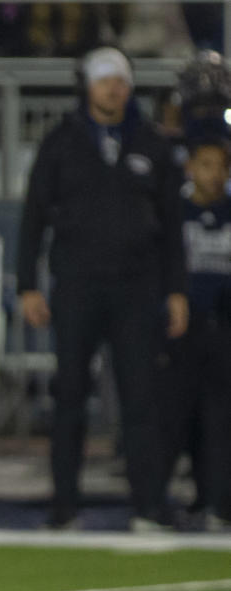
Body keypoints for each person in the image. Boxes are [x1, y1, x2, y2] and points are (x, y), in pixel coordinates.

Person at [17, 46, 188, 531]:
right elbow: (33, 216)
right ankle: (64, 504)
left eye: (120, 80)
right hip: (77, 285)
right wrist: (27, 284)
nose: (114, 88)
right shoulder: (61, 143)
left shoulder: (152, 144)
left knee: (141, 398)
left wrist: (176, 291)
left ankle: (148, 504)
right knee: (69, 394)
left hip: (137, 287)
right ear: (88, 87)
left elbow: (172, 227)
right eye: (104, 80)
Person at [161, 136, 231, 530]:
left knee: (220, 422)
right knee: (175, 419)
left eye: (221, 165)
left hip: (223, 330)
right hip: (181, 330)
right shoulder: (177, 213)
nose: (214, 174)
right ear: (190, 168)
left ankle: (217, 502)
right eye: (205, 165)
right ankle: (157, 501)